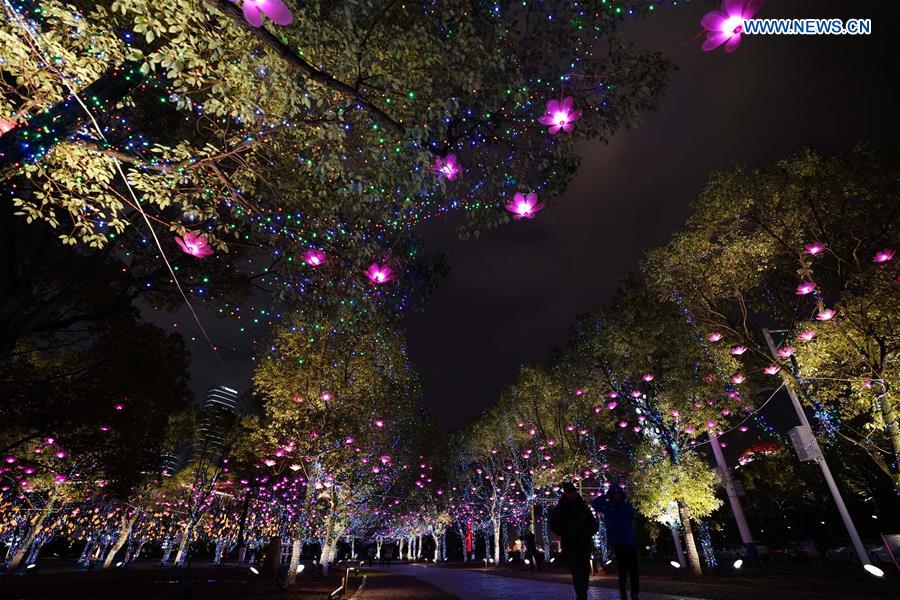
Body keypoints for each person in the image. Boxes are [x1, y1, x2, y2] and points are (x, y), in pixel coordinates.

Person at [550, 482, 598, 600]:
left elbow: (593, 523)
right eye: (569, 493)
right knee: (577, 573)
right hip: (571, 544)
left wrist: (589, 532)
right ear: (565, 493)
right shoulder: (560, 508)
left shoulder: (583, 506)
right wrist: (566, 533)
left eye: (573, 492)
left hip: (585, 543)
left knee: (585, 571)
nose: (572, 495)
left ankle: (583, 593)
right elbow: (554, 525)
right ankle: (581, 596)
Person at [593, 488, 639, 600]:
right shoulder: (608, 507)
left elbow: (632, 515)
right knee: (622, 568)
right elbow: (595, 504)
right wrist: (606, 496)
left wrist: (617, 505)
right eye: (614, 494)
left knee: (633, 569)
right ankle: (623, 592)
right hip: (617, 542)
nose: (616, 495)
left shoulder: (625, 505)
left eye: (618, 493)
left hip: (629, 541)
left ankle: (634, 593)